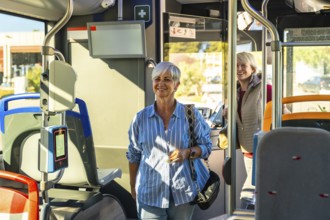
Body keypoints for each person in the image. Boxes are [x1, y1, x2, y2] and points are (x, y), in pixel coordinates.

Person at [126, 61, 212, 220]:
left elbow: (206, 146)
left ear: (177, 85)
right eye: (157, 79)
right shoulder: (140, 118)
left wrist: (187, 152)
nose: (161, 83)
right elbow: (133, 155)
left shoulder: (191, 115)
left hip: (183, 194)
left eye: (167, 79)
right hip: (150, 193)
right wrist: (132, 186)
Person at [223, 52, 272, 209]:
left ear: (252, 68)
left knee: (247, 195)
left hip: (264, 150)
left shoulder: (266, 89)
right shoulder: (234, 92)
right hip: (247, 151)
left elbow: (282, 112)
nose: (239, 69)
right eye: (235, 65)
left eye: (243, 65)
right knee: (259, 194)